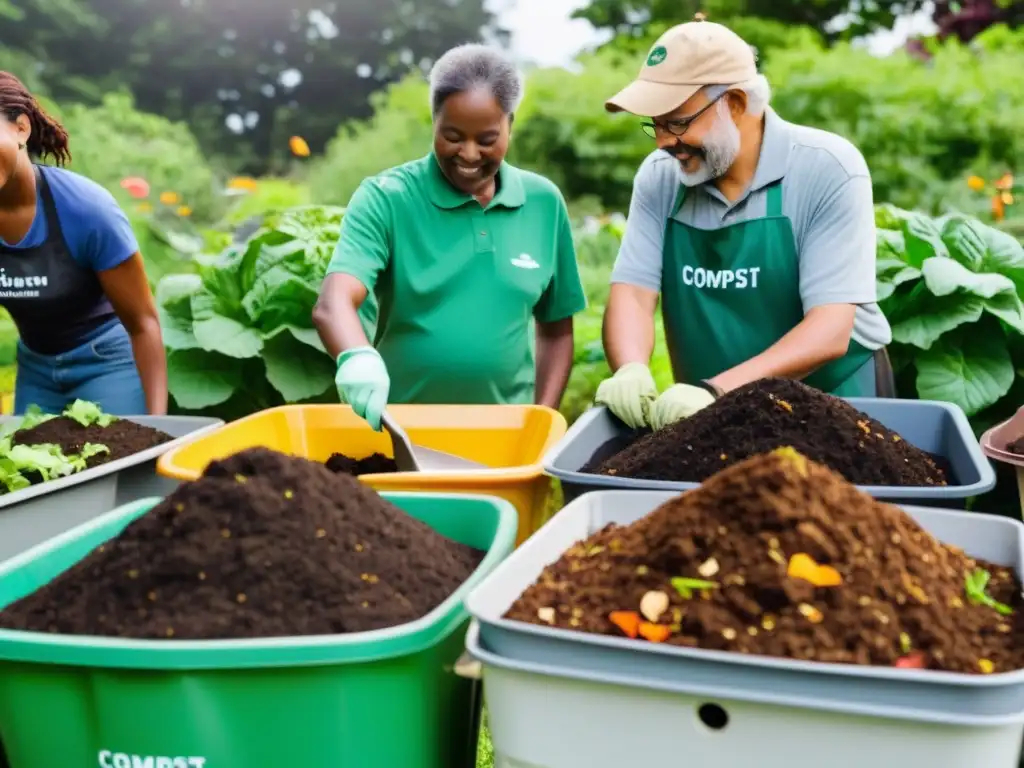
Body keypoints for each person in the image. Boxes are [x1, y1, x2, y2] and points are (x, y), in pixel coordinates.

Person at [593, 18, 893, 431]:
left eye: (677, 121)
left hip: (835, 404)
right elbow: (632, 293)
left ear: (734, 103)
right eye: (655, 124)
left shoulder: (827, 168)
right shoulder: (660, 176)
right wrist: (629, 368)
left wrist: (717, 391)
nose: (663, 141)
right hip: (711, 406)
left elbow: (829, 330)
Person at [313, 44, 586, 430]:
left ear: (510, 123)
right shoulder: (387, 198)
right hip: (400, 432)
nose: (469, 154)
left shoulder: (543, 203)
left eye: (487, 139)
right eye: (452, 136)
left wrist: (541, 418)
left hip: (506, 436)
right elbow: (334, 301)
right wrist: (356, 357)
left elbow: (557, 330)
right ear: (434, 121)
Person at [0, 73, 167, 416]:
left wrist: (160, 428)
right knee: (22, 469)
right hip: (35, 369)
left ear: (21, 128)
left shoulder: (85, 209)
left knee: (118, 465)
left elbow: (144, 323)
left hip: (106, 362)